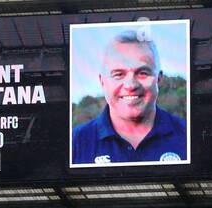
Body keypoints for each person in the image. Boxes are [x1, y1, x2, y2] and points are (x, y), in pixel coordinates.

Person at [71, 30, 188, 166]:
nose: (131, 85)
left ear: (159, 79)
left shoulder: (188, 135)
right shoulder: (75, 143)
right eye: (118, 74)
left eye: (142, 73)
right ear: (102, 81)